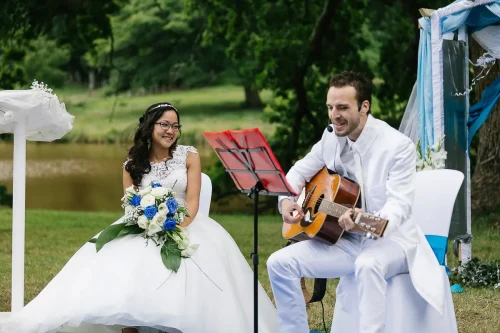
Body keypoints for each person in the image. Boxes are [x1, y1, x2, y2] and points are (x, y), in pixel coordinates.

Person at [1, 103, 278, 333]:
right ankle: (129, 328)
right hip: (142, 224)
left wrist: (173, 226)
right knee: (123, 264)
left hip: (185, 223)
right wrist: (150, 223)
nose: (171, 131)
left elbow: (192, 203)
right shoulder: (132, 164)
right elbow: (131, 207)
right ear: (150, 127)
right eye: (164, 125)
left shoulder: (189, 157)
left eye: (175, 126)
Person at [266, 71, 445, 333]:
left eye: (342, 107)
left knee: (367, 263)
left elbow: (399, 205)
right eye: (329, 107)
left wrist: (363, 223)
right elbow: (298, 172)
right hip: (343, 241)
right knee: (278, 263)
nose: (334, 115)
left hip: (392, 241)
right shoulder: (331, 136)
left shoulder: (397, 146)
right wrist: (285, 201)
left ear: (364, 107)